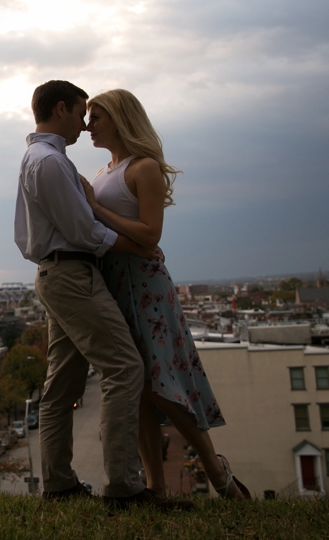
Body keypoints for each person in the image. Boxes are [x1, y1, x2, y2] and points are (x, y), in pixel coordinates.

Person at [14, 80, 192, 512]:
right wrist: (139, 245)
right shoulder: (51, 162)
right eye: (81, 113)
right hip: (73, 273)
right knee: (125, 368)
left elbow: (32, 235)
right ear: (61, 110)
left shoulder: (40, 159)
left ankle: (58, 483)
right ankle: (125, 489)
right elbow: (85, 231)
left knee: (64, 382)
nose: (85, 123)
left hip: (57, 272)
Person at [81, 88, 249, 499]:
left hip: (145, 287)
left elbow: (151, 234)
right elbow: (126, 235)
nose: (88, 126)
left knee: (161, 383)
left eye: (96, 117)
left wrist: (96, 209)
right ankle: (154, 485)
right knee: (135, 386)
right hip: (115, 285)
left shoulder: (144, 168)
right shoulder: (105, 172)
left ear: (120, 119)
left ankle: (216, 470)